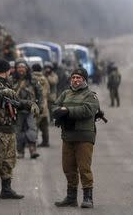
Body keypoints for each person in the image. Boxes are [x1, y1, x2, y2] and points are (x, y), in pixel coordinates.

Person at [52, 68, 100, 208]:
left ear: (84, 80)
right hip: (68, 136)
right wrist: (58, 111)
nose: (75, 80)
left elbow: (87, 110)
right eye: (73, 77)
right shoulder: (66, 93)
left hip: (84, 137)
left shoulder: (90, 95)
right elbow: (55, 106)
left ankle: (88, 198)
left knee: (84, 168)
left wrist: (66, 111)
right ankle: (71, 197)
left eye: (78, 78)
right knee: (68, 167)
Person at [0, 59, 24, 200]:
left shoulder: (7, 83)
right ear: (7, 70)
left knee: (9, 160)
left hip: (9, 126)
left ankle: (6, 189)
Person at [12, 59, 42, 159]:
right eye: (19, 67)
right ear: (16, 69)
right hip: (17, 109)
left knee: (32, 129)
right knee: (18, 131)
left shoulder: (32, 80)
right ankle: (20, 151)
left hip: (31, 109)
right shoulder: (12, 80)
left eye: (23, 67)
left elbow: (39, 93)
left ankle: (32, 150)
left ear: (26, 68)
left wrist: (39, 107)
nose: (21, 69)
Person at [31, 63, 51, 147]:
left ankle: (32, 142)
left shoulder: (32, 79)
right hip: (44, 105)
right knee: (44, 125)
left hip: (35, 104)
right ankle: (45, 141)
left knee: (34, 125)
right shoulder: (44, 79)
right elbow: (48, 92)